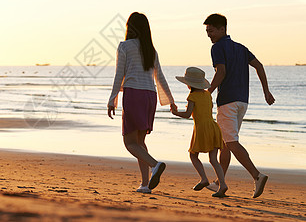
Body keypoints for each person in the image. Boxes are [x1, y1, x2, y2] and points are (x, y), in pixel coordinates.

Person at [203, 13, 275, 198]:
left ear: (222, 29)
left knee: (231, 142)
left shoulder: (217, 48)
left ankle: (257, 175)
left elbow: (221, 71)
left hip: (227, 101)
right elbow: (259, 66)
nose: (209, 35)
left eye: (211, 31)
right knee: (226, 143)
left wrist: (208, 92)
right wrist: (266, 92)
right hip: (242, 101)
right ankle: (221, 182)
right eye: (207, 31)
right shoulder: (241, 48)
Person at [107, 12, 174, 194]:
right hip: (149, 96)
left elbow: (119, 74)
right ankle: (145, 184)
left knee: (129, 142)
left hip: (134, 94)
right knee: (139, 143)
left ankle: (155, 165)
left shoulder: (124, 46)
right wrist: (170, 101)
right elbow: (159, 77)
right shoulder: (151, 49)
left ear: (130, 27)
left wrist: (112, 99)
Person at [170, 67, 228, 197]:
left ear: (189, 84)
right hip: (213, 127)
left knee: (193, 155)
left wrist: (175, 112)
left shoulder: (192, 96)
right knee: (213, 159)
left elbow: (187, 114)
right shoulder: (207, 94)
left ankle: (204, 179)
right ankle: (222, 184)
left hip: (201, 128)